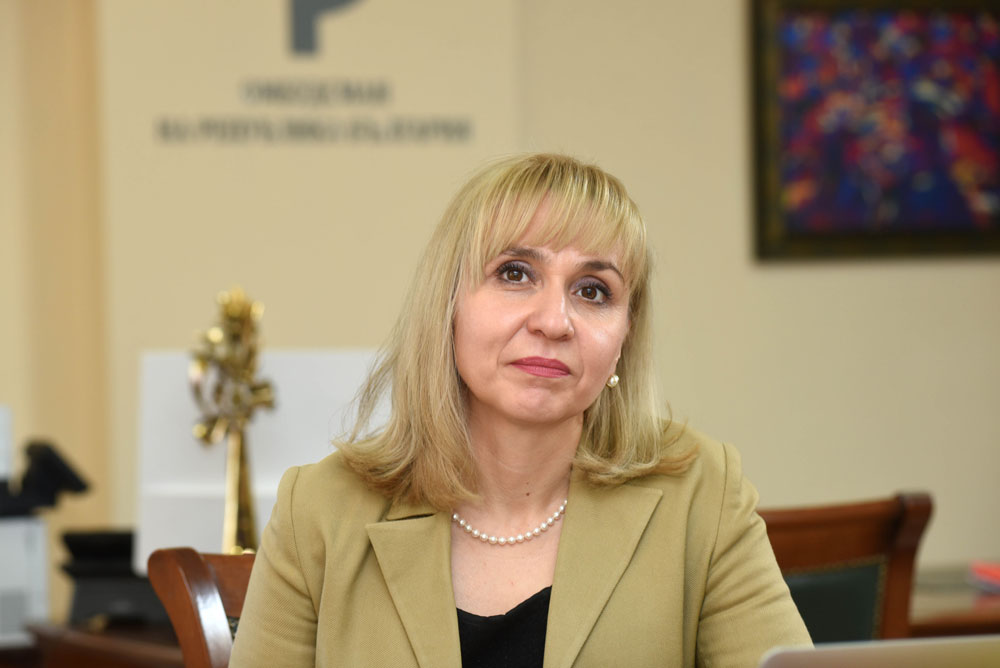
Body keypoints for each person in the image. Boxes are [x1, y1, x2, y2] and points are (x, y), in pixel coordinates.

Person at [229, 153, 811, 667]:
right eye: (515, 273)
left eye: (593, 290)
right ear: (448, 304)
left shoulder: (702, 495)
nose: (554, 322)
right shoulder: (319, 511)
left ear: (625, 337)